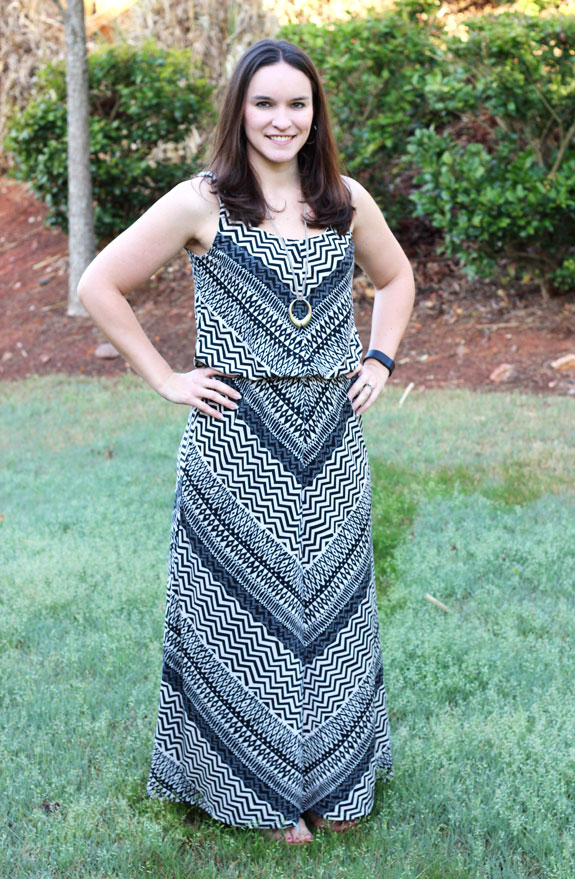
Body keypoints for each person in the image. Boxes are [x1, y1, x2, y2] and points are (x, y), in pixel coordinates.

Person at [78, 38, 415, 845]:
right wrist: (166, 377)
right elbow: (99, 283)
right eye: (263, 102)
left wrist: (377, 357)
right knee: (242, 617)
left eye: (296, 103)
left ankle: (333, 778)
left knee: (332, 614)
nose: (280, 119)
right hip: (236, 444)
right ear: (239, 110)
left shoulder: (344, 199)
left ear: (314, 113)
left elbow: (397, 280)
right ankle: (254, 792)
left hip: (331, 441)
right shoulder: (202, 202)